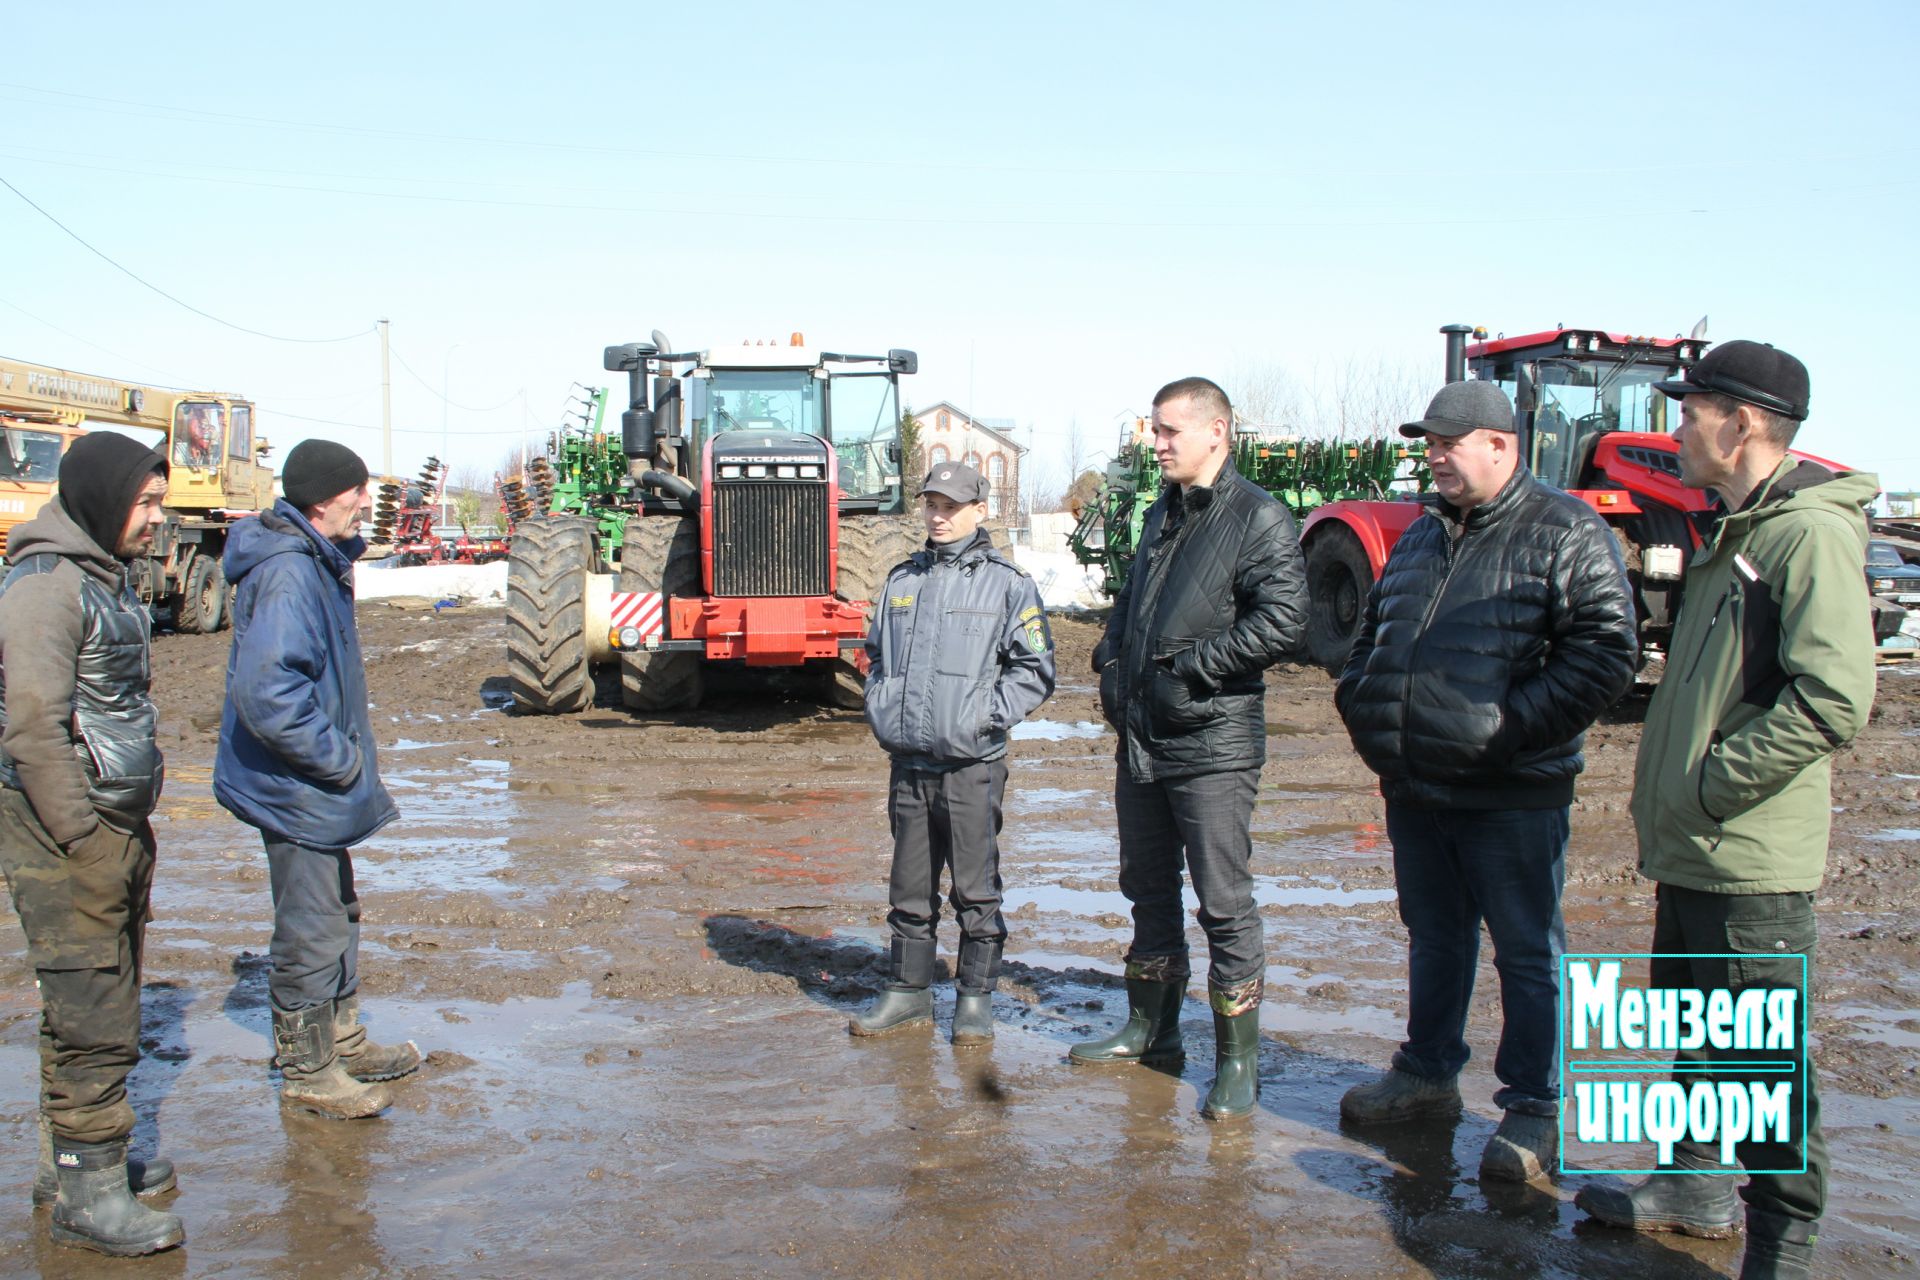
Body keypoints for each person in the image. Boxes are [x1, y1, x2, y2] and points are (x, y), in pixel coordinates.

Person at [1575, 342, 1875, 1279]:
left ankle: (1781, 1250)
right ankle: (1692, 1187)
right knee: (1701, 1037)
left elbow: (1835, 696)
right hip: (1698, 849)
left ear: (1742, 424)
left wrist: (1713, 784)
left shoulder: (1806, 534)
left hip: (1748, 857)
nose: (1674, 429)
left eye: (1690, 410)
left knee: (1767, 1071)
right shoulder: (1736, 531)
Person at [1332, 379, 1637, 1182]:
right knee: (1435, 936)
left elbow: (1606, 653)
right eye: (1428, 444)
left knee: (1528, 954)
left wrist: (1503, 732)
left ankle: (1534, 1109)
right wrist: (1363, 705)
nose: (1433, 457)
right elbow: (1373, 632)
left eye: (1447, 443)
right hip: (1417, 786)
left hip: (1512, 794)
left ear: (1500, 445)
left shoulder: (1567, 531)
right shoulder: (1424, 536)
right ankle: (1428, 1072)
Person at [1069, 377, 1307, 1121]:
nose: (1158, 443)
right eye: (1154, 430)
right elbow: (1133, 603)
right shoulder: (1162, 512)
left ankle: (1238, 1062)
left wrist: (1193, 670)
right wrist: (1112, 660)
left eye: (1169, 431)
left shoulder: (1258, 517)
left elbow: (1285, 620)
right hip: (1141, 736)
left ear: (1216, 432)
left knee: (1224, 904)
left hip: (1212, 741)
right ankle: (1153, 1029)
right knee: (1147, 888)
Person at [0, 432, 184, 1255]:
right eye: (145, 503)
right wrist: (81, 835)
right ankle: (90, 1190)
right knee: (94, 1005)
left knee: (92, 993)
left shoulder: (101, 581)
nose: (157, 519)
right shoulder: (46, 586)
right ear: (105, 501)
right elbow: (33, 728)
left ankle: (71, 1164)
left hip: (109, 820)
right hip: (67, 829)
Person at [215, 439, 419, 1120]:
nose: (367, 501)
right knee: (310, 925)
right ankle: (308, 1070)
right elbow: (268, 694)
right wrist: (340, 761)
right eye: (358, 490)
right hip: (295, 783)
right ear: (324, 499)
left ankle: (343, 1040)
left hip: (307, 782)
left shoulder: (313, 561)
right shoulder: (291, 574)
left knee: (337, 911)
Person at [853, 461, 1056, 1045]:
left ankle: (974, 998)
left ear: (978, 510)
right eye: (930, 505)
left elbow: (1035, 670)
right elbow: (876, 659)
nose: (938, 517)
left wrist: (980, 718)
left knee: (975, 888)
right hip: (909, 763)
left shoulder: (1008, 584)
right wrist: (883, 708)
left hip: (972, 766)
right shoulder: (901, 581)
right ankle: (909, 991)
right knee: (909, 889)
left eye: (950, 506)